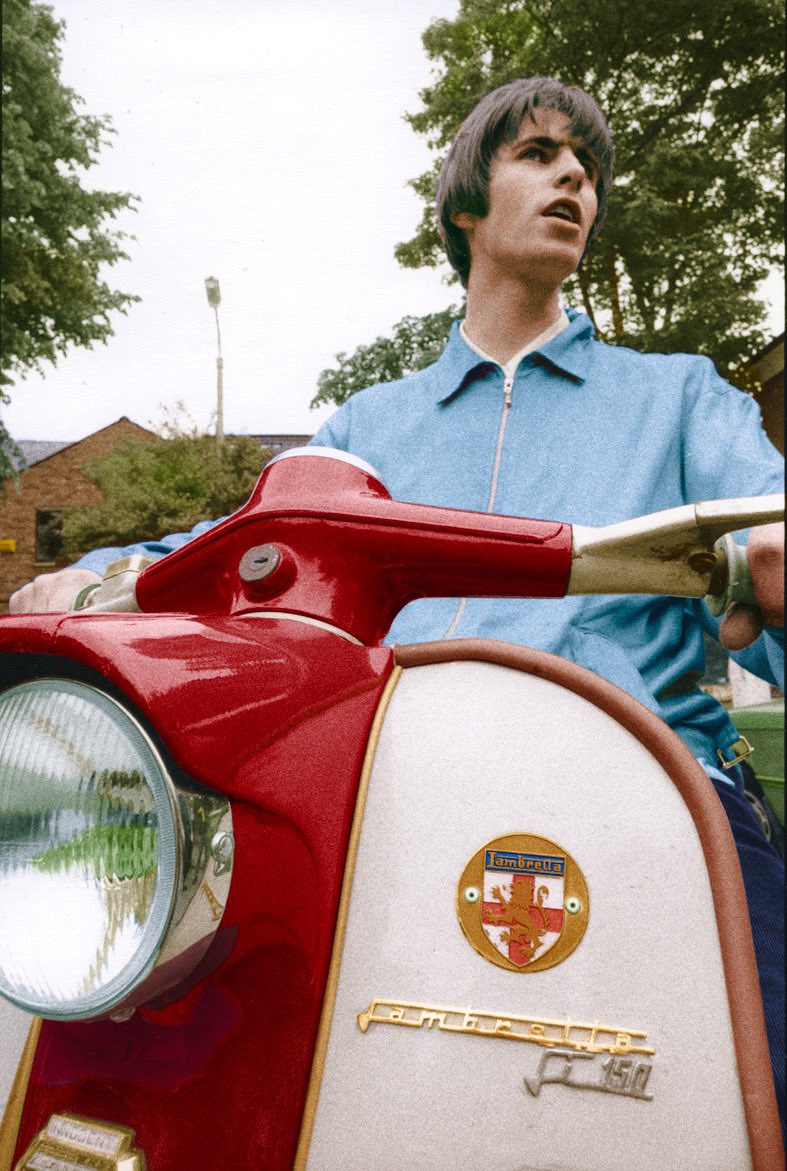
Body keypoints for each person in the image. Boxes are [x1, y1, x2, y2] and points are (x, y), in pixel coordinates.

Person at [8, 76, 784, 1125]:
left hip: (645, 787)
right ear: (466, 201)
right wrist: (98, 571)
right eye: (539, 153)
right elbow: (248, 544)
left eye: (587, 168)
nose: (572, 178)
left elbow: (765, 532)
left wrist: (768, 560)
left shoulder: (682, 394)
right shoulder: (374, 424)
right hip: (383, 796)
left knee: (755, 1078)